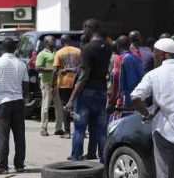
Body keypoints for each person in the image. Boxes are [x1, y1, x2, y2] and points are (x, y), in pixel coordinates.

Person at [131, 38, 174, 178]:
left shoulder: (154, 74)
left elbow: (135, 97)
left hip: (164, 132)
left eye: (156, 53)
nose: (154, 56)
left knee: (165, 173)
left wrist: (147, 114)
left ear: (163, 54)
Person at [65, 19, 112, 163]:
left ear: (88, 28)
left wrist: (71, 99)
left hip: (86, 93)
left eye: (84, 28)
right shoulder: (108, 47)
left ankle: (76, 157)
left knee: (79, 128)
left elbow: (84, 76)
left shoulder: (88, 48)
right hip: (102, 91)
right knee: (100, 128)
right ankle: (104, 159)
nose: (83, 31)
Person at [0, 38, 29, 175]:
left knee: (3, 136)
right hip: (18, 102)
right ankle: (19, 165)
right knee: (19, 135)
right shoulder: (21, 64)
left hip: (2, 103)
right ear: (15, 49)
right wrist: (23, 100)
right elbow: (25, 86)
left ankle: (2, 166)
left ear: (1, 48)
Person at [107, 35, 143, 121]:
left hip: (124, 101)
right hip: (137, 99)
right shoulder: (137, 58)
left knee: (116, 128)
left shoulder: (120, 59)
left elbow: (117, 81)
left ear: (118, 46)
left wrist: (111, 102)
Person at [52, 35, 81, 139]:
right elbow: (82, 67)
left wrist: (53, 84)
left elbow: (55, 70)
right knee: (76, 107)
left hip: (63, 84)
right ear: (70, 41)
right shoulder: (78, 51)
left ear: (62, 42)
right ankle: (80, 129)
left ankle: (67, 132)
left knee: (66, 107)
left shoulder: (59, 53)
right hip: (77, 83)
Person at [36, 35, 64, 137]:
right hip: (47, 83)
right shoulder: (42, 54)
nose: (55, 42)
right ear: (46, 42)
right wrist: (52, 70)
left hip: (58, 83)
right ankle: (43, 128)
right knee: (45, 106)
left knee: (59, 107)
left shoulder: (57, 52)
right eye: (53, 40)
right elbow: (38, 68)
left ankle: (59, 128)